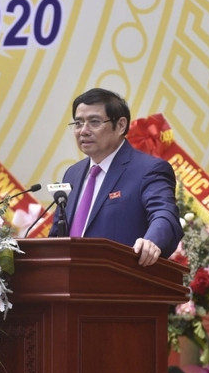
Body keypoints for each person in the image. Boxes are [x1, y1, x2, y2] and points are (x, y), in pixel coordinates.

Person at [49, 88, 184, 266]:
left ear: (121, 125)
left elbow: (164, 213)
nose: (83, 131)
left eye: (94, 122)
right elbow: (58, 233)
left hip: (120, 280)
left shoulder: (148, 169)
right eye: (78, 123)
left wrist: (152, 242)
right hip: (68, 283)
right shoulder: (72, 173)